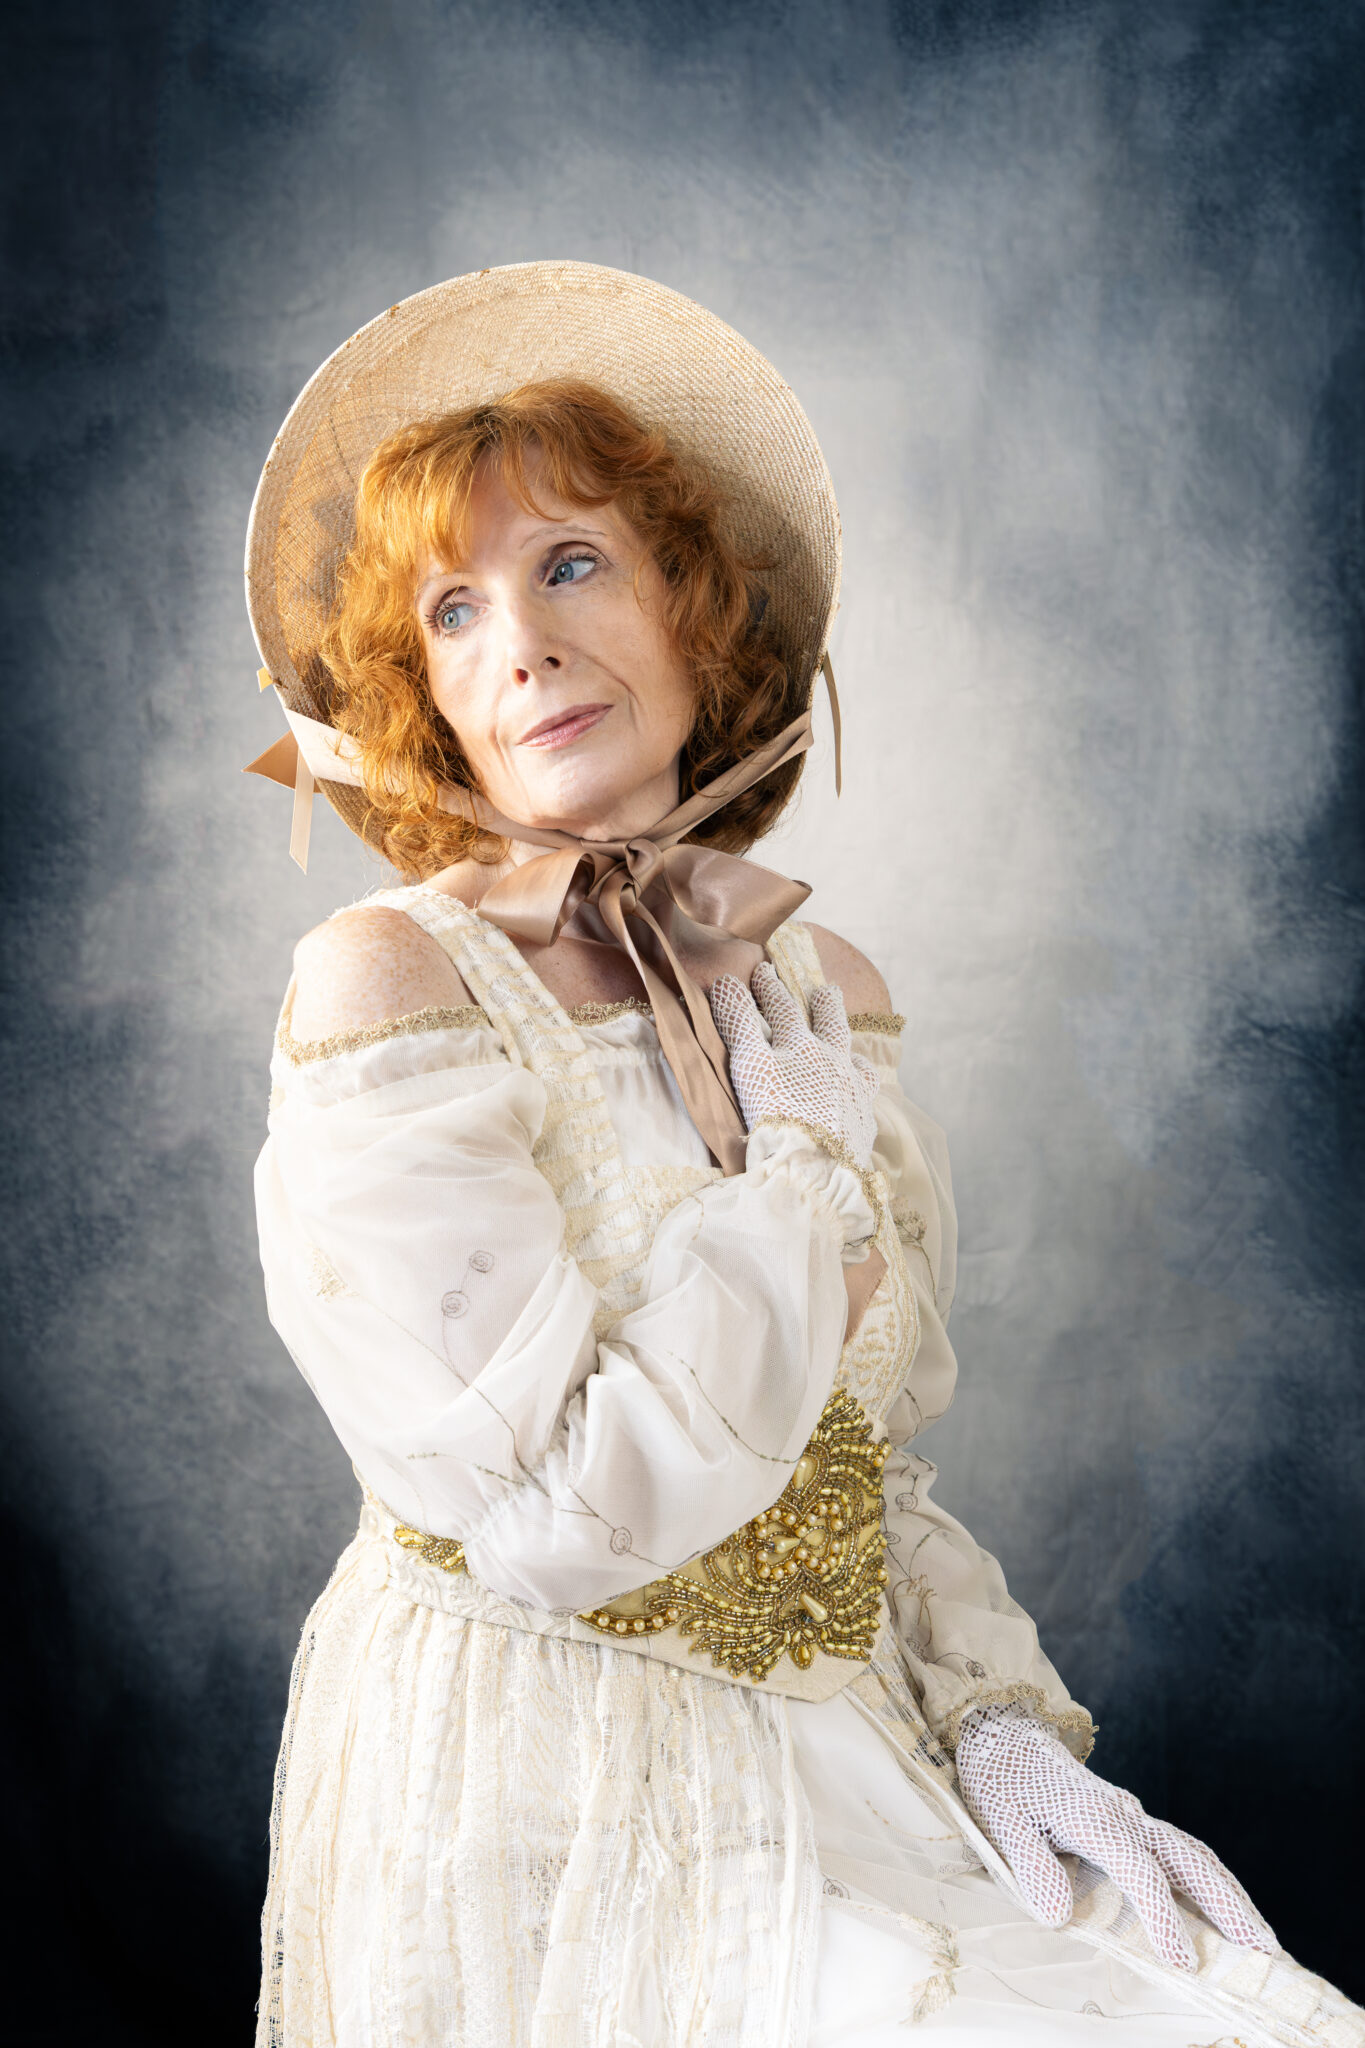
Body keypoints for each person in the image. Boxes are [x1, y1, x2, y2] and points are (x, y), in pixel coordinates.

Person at [244, 263, 1359, 2047]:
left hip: (846, 1730)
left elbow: (857, 1458)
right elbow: (554, 1515)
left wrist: (990, 1719)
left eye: (572, 564)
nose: (517, 639)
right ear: (425, 698)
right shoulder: (385, 985)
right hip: (547, 1779)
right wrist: (799, 1189)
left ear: (696, 610)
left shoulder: (822, 990)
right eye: (451, 611)